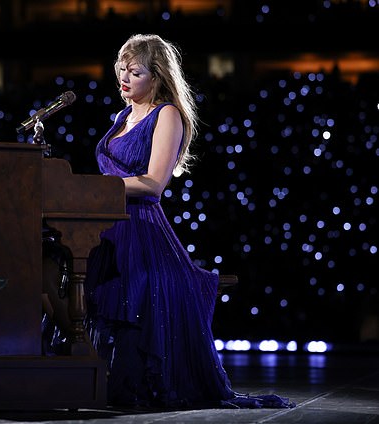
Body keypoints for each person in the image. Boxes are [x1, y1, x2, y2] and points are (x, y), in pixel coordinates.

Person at [85, 33, 295, 410]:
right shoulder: (121, 117)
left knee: (136, 294)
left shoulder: (167, 115)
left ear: (157, 76)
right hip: (101, 227)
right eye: (121, 70)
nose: (124, 78)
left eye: (134, 71)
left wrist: (99, 186)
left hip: (141, 227)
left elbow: (153, 182)